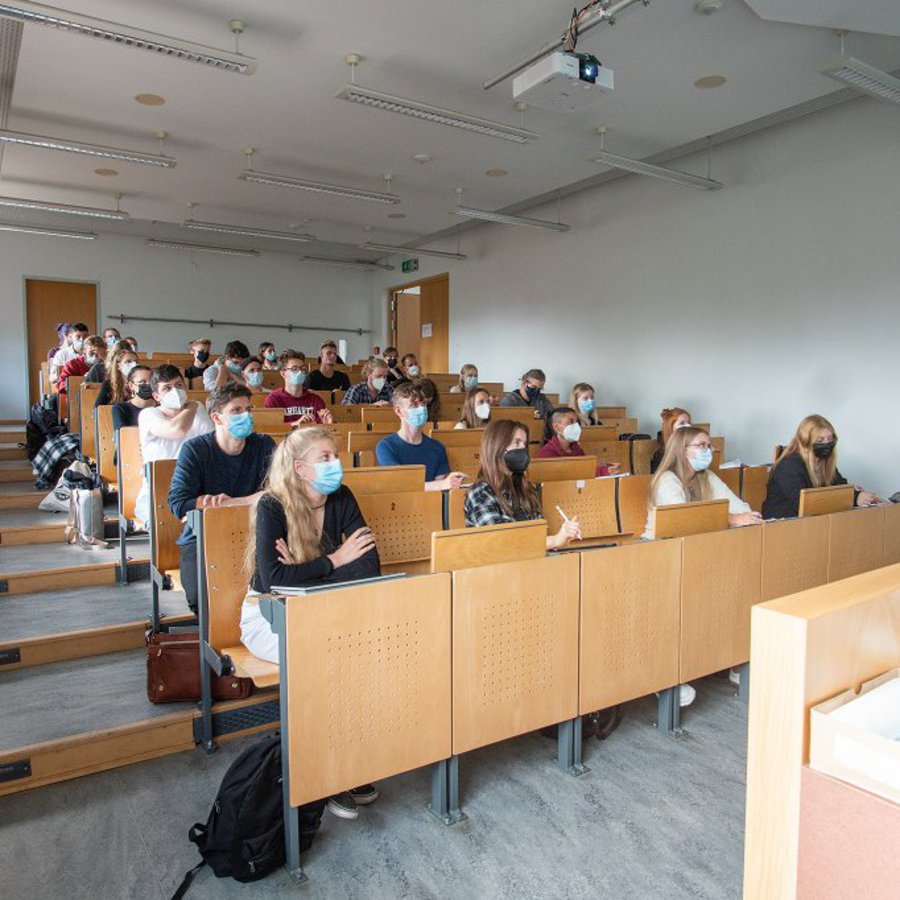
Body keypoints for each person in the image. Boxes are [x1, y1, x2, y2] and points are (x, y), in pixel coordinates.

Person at [239, 424, 381, 821]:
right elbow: (273, 582)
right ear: (301, 469)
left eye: (336, 455)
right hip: (268, 617)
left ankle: (348, 764)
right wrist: (337, 560)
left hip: (324, 612)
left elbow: (369, 565)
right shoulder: (273, 505)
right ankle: (325, 775)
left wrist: (305, 572)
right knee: (328, 664)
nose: (337, 464)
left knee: (361, 657)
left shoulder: (342, 496)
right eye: (326, 458)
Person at [168, 383, 276, 612]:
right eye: (237, 411)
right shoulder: (195, 450)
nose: (246, 415)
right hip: (203, 538)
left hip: (255, 533)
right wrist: (251, 499)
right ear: (217, 417)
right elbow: (178, 503)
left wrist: (231, 503)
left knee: (273, 590)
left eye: (249, 409)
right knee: (203, 602)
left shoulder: (264, 445)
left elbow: (281, 491)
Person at [464, 419, 581, 550]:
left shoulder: (525, 488)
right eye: (517, 443)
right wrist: (554, 541)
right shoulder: (480, 493)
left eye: (524, 444)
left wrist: (562, 536)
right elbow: (502, 542)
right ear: (497, 447)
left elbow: (538, 534)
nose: (523, 449)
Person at [644, 426, 761, 540]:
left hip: (694, 541)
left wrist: (745, 517)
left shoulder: (707, 476)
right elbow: (681, 520)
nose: (710, 450)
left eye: (709, 446)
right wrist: (730, 519)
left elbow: (741, 509)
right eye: (702, 445)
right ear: (682, 451)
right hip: (659, 546)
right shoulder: (666, 479)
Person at [134, 365, 214, 526]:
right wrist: (192, 406)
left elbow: (213, 442)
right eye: (167, 388)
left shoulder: (198, 411)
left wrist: (195, 407)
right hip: (158, 493)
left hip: (195, 487)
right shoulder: (148, 415)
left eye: (178, 385)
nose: (175, 391)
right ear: (156, 396)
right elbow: (178, 430)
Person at [762, 414, 883, 519]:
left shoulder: (824, 462)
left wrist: (860, 496)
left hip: (811, 522)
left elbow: (840, 486)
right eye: (820, 441)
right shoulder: (788, 465)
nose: (826, 444)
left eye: (830, 439)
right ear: (805, 441)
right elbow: (805, 504)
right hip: (782, 525)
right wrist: (853, 499)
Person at [375, 382, 465, 491]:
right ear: (398, 411)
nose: (421, 409)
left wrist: (444, 484)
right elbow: (399, 485)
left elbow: (436, 493)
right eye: (414, 405)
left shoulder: (437, 447)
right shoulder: (386, 447)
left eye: (423, 404)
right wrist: (442, 484)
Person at [539, 407, 619, 476]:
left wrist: (604, 466)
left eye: (576, 421)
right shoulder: (546, 452)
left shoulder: (576, 449)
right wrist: (601, 471)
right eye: (570, 421)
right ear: (557, 427)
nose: (576, 425)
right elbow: (568, 475)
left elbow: (584, 468)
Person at [265, 350, 333, 424]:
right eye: (294, 369)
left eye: (302, 369)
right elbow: (272, 428)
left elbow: (322, 429)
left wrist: (327, 424)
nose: (300, 372)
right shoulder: (274, 399)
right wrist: (296, 424)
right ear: (283, 373)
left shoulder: (315, 400)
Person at [111, 365, 155, 431]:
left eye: (151, 381)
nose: (148, 384)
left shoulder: (162, 406)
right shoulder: (120, 408)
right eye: (142, 382)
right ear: (131, 386)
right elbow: (123, 434)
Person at [650, 407, 692, 474]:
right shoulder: (660, 455)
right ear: (671, 427)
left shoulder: (694, 448)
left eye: (688, 422)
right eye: (682, 423)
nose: (688, 426)